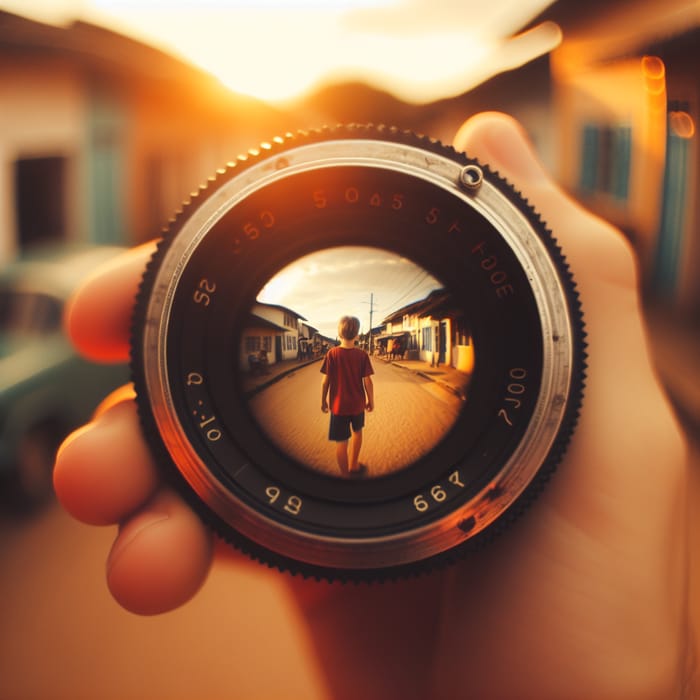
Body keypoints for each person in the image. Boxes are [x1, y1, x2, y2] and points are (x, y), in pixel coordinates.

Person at [53, 112, 691, 699]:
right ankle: (353, 465)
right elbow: (356, 381)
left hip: (344, 402)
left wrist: (333, 393)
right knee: (352, 431)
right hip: (362, 401)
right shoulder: (353, 354)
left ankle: (343, 464)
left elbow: (330, 380)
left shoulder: (335, 355)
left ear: (346, 331)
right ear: (362, 333)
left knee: (336, 432)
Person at [320, 316, 375, 477]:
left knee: (341, 442)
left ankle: (345, 476)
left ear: (339, 333)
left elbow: (325, 382)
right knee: (358, 432)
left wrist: (323, 400)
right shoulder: (362, 355)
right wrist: (371, 401)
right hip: (357, 405)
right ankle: (354, 465)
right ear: (357, 335)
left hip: (338, 407)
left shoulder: (332, 354)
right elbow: (368, 381)